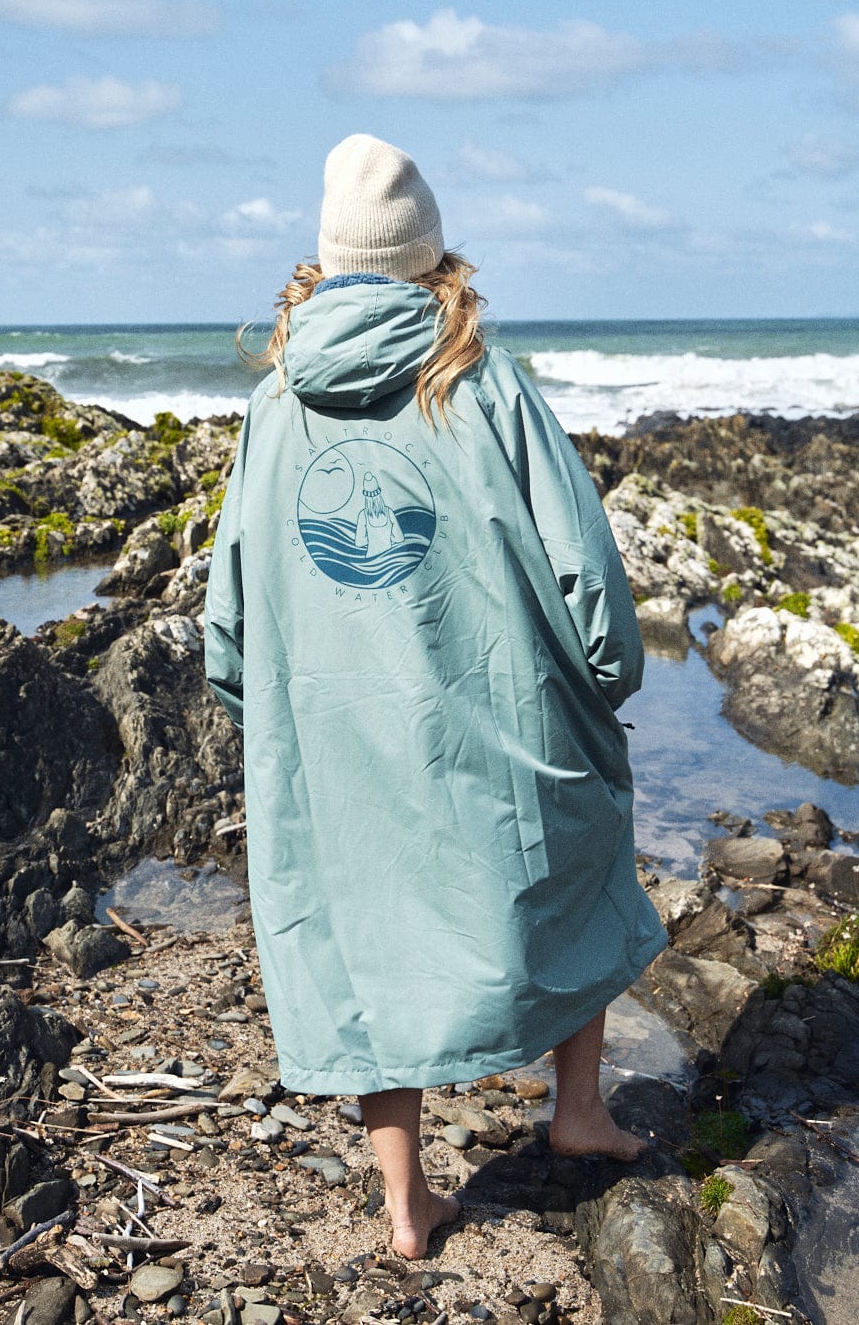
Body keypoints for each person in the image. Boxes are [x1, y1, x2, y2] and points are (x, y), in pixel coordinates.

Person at [204, 134, 667, 1260]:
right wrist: (609, 684)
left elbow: (228, 613)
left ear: (327, 258)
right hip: (494, 709)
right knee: (583, 848)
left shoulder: (274, 409)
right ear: (429, 256)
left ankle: (406, 1206)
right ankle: (579, 1110)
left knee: (364, 925)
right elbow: (584, 565)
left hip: (338, 730)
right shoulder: (480, 380)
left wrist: (262, 712)